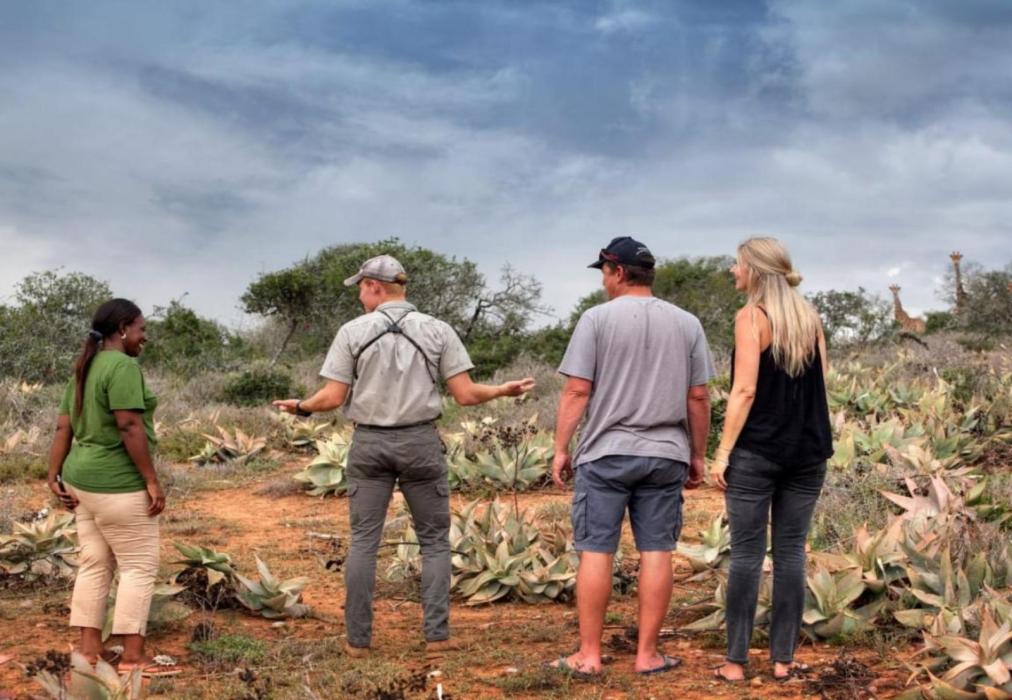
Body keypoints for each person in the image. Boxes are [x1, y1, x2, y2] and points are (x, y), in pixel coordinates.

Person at [273, 254, 534, 656]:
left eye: (361, 287)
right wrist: (501, 390)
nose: (359, 295)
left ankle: (358, 642)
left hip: (369, 444)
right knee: (434, 542)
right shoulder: (437, 329)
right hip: (420, 443)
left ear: (374, 286)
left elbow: (332, 397)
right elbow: (465, 395)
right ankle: (437, 637)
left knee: (364, 541)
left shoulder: (353, 332)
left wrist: (302, 407)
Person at [550, 237, 715, 677]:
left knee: (596, 550)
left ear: (618, 272)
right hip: (666, 454)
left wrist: (561, 448)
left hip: (605, 453)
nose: (603, 282)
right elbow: (698, 396)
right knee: (657, 551)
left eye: (604, 273)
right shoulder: (687, 323)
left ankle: (589, 654)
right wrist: (697, 454)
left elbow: (577, 390)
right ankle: (647, 655)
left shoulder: (596, 319)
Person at [710, 237, 833, 683]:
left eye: (738, 264)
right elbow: (822, 380)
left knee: (746, 553)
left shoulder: (751, 317)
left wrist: (723, 451)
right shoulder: (809, 317)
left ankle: (735, 662)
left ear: (756, 272)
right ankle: (783, 659)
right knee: (790, 553)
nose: (733, 271)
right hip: (808, 453)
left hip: (758, 452)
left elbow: (744, 390)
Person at [46, 299, 176, 677]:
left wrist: (53, 474)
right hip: (116, 484)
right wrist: (151, 479)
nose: (144, 337)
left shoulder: (85, 366)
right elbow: (129, 425)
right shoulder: (122, 367)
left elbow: (63, 426)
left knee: (94, 563)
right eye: (141, 329)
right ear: (122, 329)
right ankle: (133, 657)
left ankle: (89, 652)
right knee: (138, 566)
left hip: (80, 482)